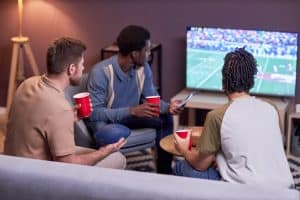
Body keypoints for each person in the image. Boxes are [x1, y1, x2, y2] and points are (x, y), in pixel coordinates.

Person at [173, 48, 294, 188]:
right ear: (251, 81)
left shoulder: (216, 116)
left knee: (181, 167)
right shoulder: (271, 107)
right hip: (286, 189)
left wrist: (184, 150)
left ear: (224, 83)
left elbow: (200, 165)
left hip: (249, 191)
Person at [4, 37, 127, 169]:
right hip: (36, 176)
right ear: (72, 69)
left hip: (11, 165)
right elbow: (67, 165)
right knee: (117, 158)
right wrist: (104, 152)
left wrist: (69, 118)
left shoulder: (27, 83)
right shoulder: (60, 107)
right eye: (82, 64)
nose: (83, 68)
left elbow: (41, 121)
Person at [86, 25, 182, 174]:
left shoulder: (143, 68)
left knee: (166, 118)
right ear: (135, 54)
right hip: (108, 120)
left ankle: (165, 172)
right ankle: (107, 173)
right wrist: (131, 111)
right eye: (147, 50)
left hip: (131, 117)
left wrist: (167, 107)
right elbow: (95, 113)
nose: (149, 54)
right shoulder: (101, 72)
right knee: (101, 129)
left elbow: (151, 98)